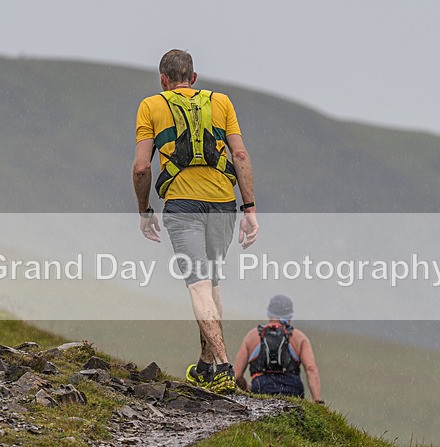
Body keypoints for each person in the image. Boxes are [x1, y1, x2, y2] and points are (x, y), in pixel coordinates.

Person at [132, 49, 259, 394]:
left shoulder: (151, 106)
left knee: (198, 284)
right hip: (223, 203)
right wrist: (249, 208)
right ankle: (205, 366)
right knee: (212, 283)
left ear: (163, 80)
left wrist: (144, 211)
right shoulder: (222, 102)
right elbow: (241, 155)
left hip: (183, 205)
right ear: (194, 77)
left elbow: (143, 167)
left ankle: (222, 368)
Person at [233, 295, 323, 403]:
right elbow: (311, 369)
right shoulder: (299, 338)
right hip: (292, 389)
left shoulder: (252, 336)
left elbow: (237, 375)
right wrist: (317, 401)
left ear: (269, 313)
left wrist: (249, 389)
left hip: (261, 387)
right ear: (290, 315)